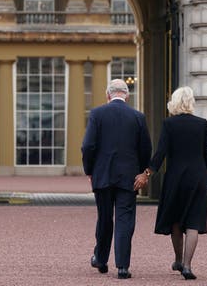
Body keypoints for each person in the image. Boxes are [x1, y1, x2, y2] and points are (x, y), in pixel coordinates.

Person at [134, 86, 207, 280]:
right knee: (194, 221)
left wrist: (147, 173)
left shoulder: (169, 124)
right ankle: (187, 266)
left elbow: (160, 153)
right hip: (198, 177)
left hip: (175, 178)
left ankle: (178, 260)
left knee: (176, 221)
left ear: (175, 102)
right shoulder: (202, 124)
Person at [82, 79, 152, 279]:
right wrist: (142, 172)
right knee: (125, 220)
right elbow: (146, 148)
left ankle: (101, 259)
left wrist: (90, 170)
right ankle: (122, 266)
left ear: (108, 95)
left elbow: (88, 146)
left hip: (102, 174)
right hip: (129, 177)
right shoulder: (138, 117)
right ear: (127, 96)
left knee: (104, 218)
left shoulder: (97, 114)